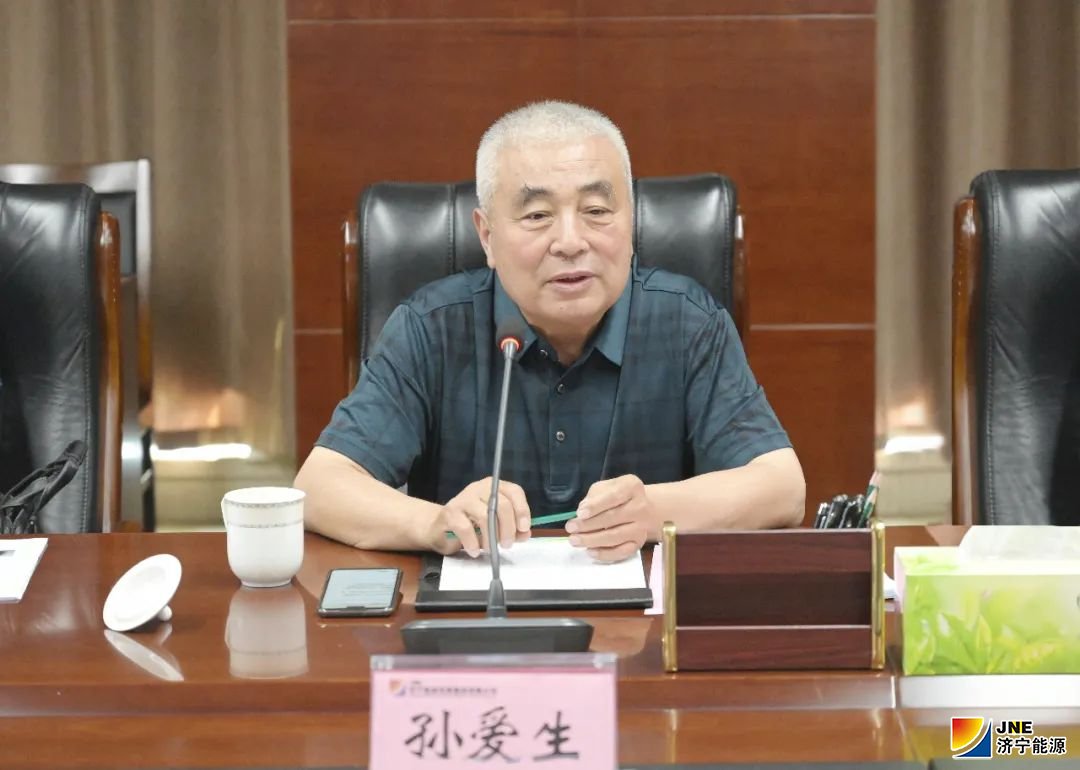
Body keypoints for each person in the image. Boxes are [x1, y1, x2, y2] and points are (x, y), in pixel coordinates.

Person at [295, 100, 805, 562]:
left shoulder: (688, 323)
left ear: (631, 223)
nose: (570, 241)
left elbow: (782, 488)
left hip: (645, 625)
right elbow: (320, 486)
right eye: (538, 215)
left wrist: (655, 511)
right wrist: (433, 523)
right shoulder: (432, 328)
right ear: (487, 236)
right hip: (474, 621)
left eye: (596, 212)